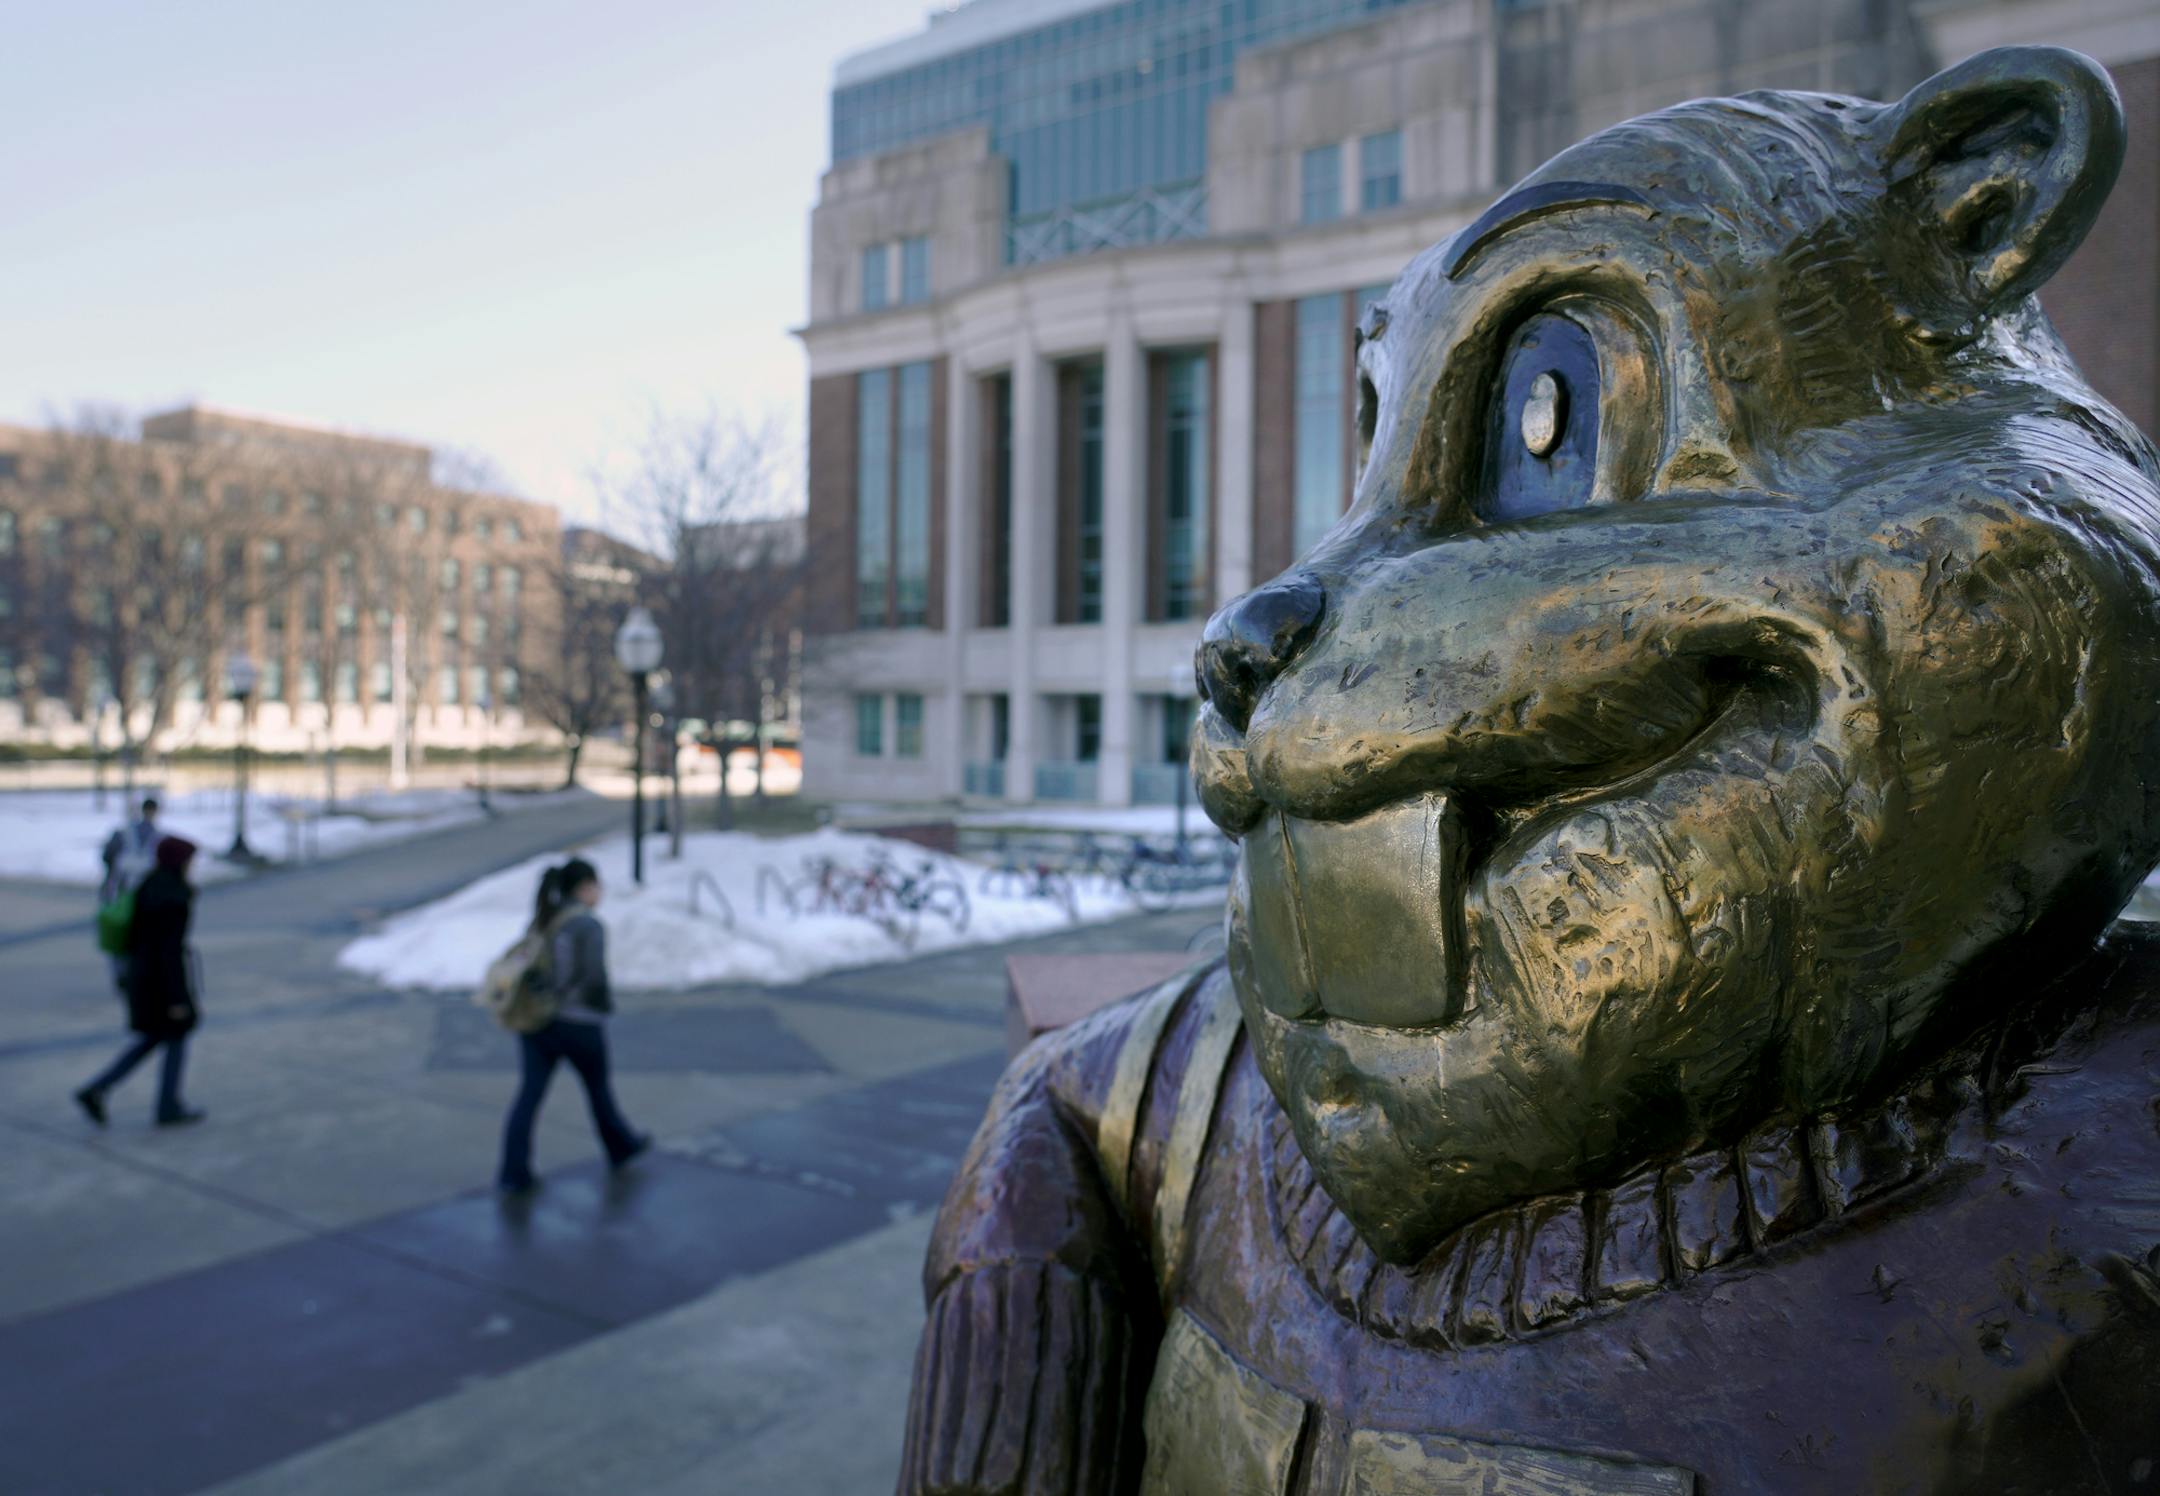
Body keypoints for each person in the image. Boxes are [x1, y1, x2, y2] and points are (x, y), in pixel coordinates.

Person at [496, 857, 649, 1194]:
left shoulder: (544, 918)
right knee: (598, 1090)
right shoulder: (587, 925)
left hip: (537, 1022)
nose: (601, 892)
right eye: (597, 885)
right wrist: (600, 1006)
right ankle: (621, 1146)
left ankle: (513, 1169)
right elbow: (590, 977)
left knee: (529, 1096)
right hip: (578, 1023)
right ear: (584, 888)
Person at [75, 835, 205, 1128]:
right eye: (189, 860)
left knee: (153, 1038)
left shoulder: (150, 883)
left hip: (142, 977)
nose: (192, 865)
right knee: (174, 1035)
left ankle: (97, 1089)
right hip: (158, 983)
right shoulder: (172, 895)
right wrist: (177, 1000)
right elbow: (168, 952)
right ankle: (167, 1106)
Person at [98, 796, 164, 993]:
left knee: (120, 938)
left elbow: (106, 857)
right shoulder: (157, 837)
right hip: (142, 897)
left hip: (119, 895)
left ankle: (122, 975)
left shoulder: (122, 833)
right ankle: (136, 974)